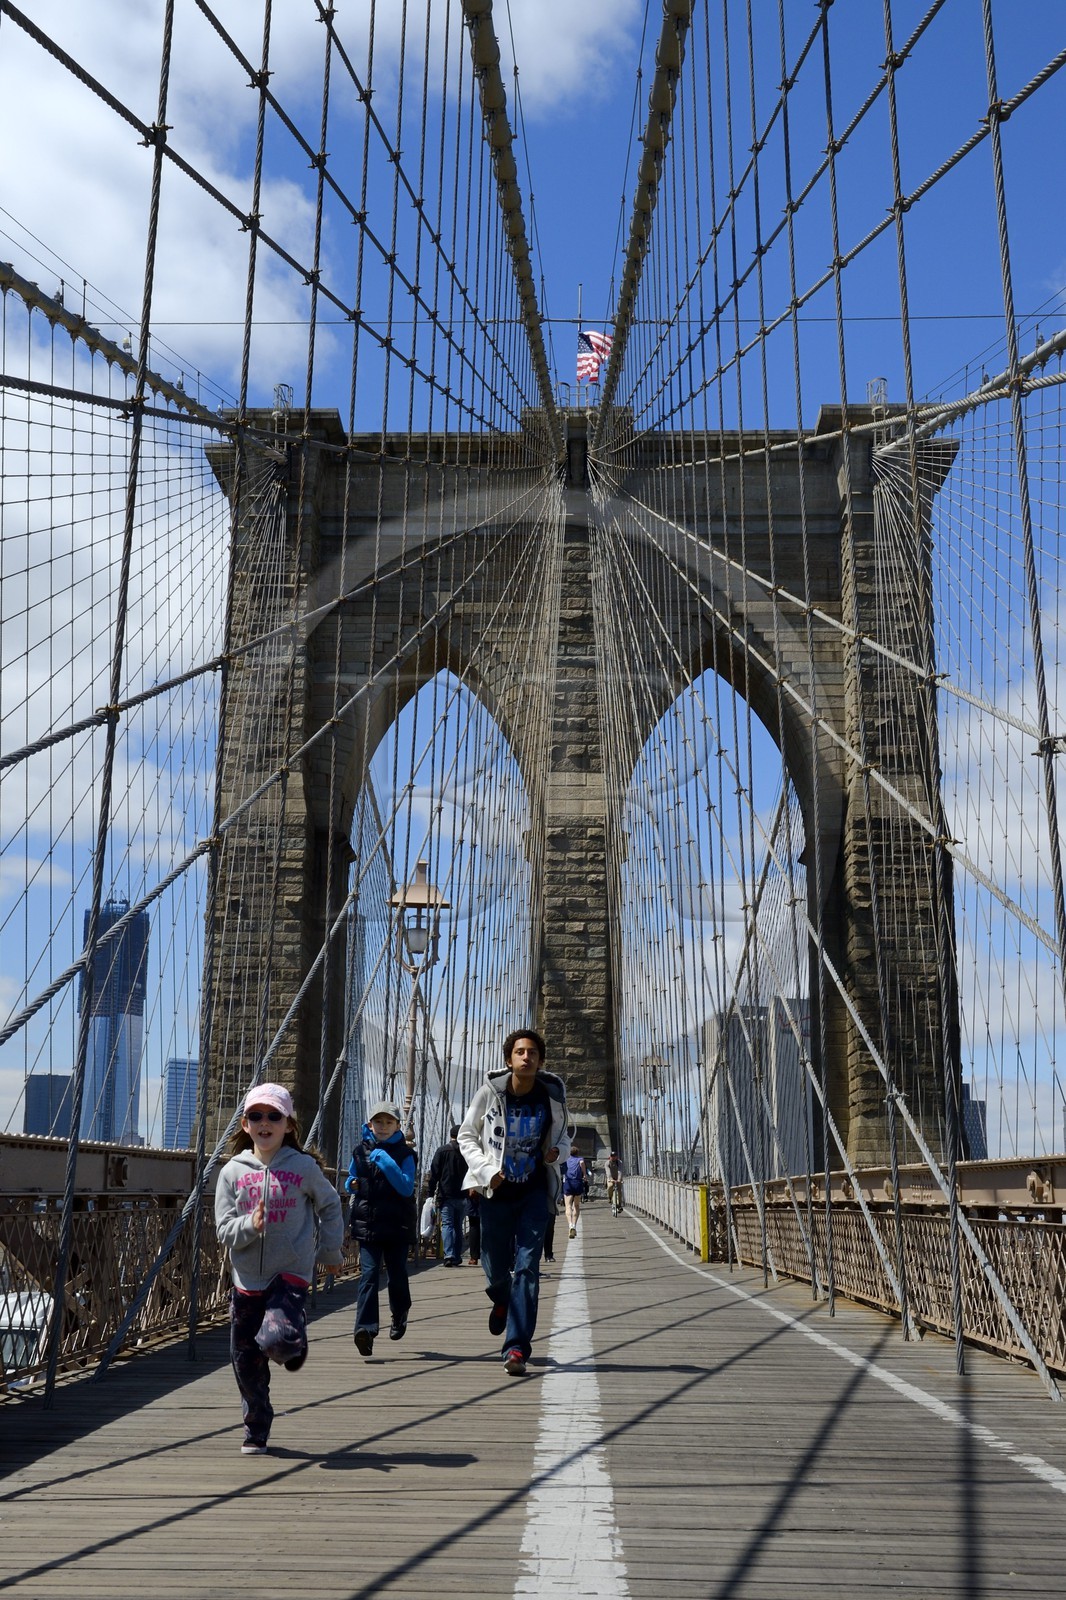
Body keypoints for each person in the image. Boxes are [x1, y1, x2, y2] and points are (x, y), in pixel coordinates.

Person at [214, 1082, 345, 1456]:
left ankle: (290, 1340)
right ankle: (256, 1429)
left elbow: (331, 1206)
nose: (265, 1122)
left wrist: (330, 1250)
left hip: (290, 1273)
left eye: (274, 1115)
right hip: (245, 1281)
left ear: (289, 1124)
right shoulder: (232, 1173)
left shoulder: (303, 1167)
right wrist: (249, 1226)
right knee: (245, 1361)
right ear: (244, 1125)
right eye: (256, 1116)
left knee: (276, 1340)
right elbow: (224, 1229)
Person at [458, 1028, 570, 1377]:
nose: (526, 1057)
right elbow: (466, 1134)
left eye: (533, 1052)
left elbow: (567, 1135)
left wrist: (557, 1153)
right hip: (496, 1191)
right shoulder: (490, 1093)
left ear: (540, 1060)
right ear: (509, 1060)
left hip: (534, 1192)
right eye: (520, 1052)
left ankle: (517, 1347)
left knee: (527, 1268)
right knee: (493, 1264)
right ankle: (502, 1298)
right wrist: (486, 1170)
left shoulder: (551, 1095)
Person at [345, 1099, 417, 1358]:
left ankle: (400, 1313)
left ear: (398, 1125)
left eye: (388, 1122)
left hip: (397, 1224)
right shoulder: (359, 1151)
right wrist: (350, 1184)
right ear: (370, 1124)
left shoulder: (407, 1155)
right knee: (369, 1276)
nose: (383, 1126)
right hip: (369, 1224)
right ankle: (365, 1330)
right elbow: (353, 1177)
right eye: (378, 1121)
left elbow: (406, 1187)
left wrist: (385, 1160)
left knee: (397, 1275)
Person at [426, 1124, 468, 1266]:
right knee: (458, 1226)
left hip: (446, 1195)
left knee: (447, 1225)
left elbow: (434, 1173)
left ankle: (449, 1255)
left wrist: (430, 1193)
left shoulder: (442, 1151)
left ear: (451, 1135)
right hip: (463, 1195)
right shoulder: (467, 1151)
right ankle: (457, 1256)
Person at [561, 1147, 587, 1238]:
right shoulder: (580, 1159)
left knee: (568, 1206)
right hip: (577, 1182)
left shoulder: (566, 1159)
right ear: (577, 1153)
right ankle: (575, 1226)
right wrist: (584, 1175)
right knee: (576, 1205)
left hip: (568, 1183)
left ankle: (570, 1225)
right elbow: (582, 1163)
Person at [606, 1150, 624, 1215]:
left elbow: (620, 1171)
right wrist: (611, 1179)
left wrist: (619, 1179)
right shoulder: (607, 1163)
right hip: (610, 1178)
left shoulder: (619, 1162)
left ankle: (619, 1205)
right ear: (610, 1157)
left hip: (618, 1178)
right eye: (612, 1156)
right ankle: (610, 1198)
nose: (613, 1157)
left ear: (616, 1157)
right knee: (610, 1186)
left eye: (614, 1156)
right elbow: (608, 1172)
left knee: (619, 1191)